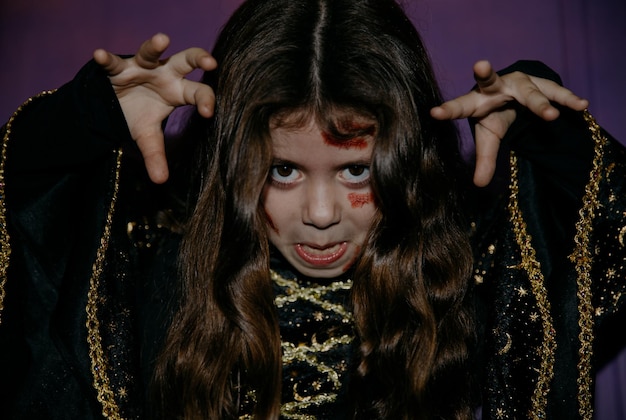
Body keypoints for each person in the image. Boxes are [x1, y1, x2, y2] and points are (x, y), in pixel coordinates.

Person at [1, 0, 623, 419]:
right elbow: (30, 249)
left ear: (404, 158)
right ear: (234, 161)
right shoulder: (160, 264)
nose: (321, 214)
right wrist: (81, 120)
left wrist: (553, 138)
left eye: (357, 169)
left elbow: (608, 248)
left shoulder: (458, 271)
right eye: (283, 170)